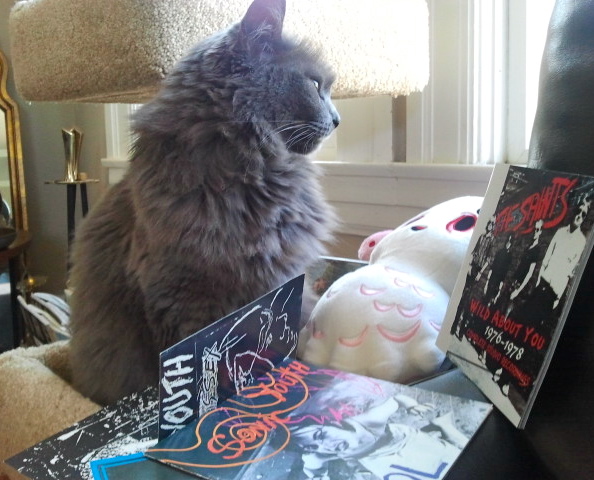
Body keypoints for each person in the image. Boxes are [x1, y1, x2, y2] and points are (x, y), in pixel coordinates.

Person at [289, 394, 467, 479]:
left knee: (453, 459)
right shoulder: (322, 452)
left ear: (332, 422)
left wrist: (412, 406)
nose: (326, 445)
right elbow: (314, 468)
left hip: (406, 442)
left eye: (321, 434)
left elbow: (396, 399)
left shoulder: (368, 421)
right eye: (312, 446)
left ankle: (444, 425)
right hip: (383, 464)